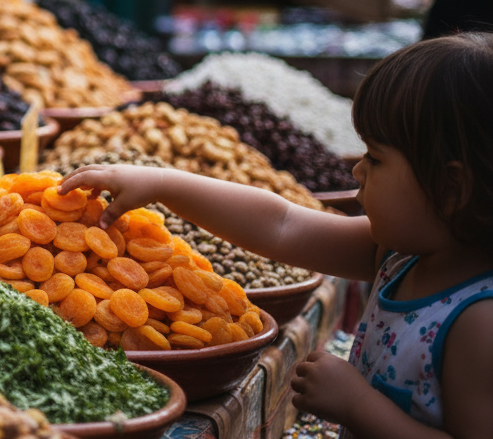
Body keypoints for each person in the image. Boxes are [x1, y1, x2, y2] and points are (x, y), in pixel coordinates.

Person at [59, 33, 493, 439]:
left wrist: (360, 405)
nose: (356, 171)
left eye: (375, 159)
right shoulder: (397, 255)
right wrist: (164, 184)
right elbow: (280, 224)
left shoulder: (478, 322)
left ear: (451, 189)